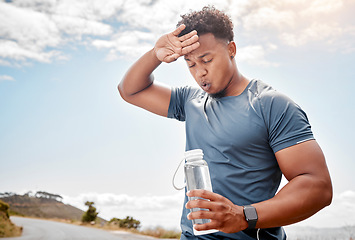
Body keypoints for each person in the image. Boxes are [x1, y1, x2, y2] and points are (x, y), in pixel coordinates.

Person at [118, 6, 332, 240]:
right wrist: (154, 54)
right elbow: (129, 90)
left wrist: (243, 215)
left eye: (206, 59)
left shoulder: (270, 104)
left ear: (231, 49)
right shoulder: (190, 100)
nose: (200, 72)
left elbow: (317, 186)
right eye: (190, 64)